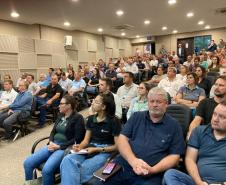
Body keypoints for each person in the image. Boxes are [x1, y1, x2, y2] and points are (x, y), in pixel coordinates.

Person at [94, 87, 185, 185]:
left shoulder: (174, 125)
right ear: (148, 103)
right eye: (152, 101)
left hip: (151, 173)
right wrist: (133, 161)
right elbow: (122, 139)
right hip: (124, 164)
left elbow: (175, 156)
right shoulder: (136, 116)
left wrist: (153, 170)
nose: (154, 105)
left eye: (159, 102)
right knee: (99, 182)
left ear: (166, 104)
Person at [60, 93, 121, 185]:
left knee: (81, 169)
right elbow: (86, 141)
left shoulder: (114, 121)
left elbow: (117, 147)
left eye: (96, 102)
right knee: (67, 160)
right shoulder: (91, 119)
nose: (92, 103)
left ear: (103, 107)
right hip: (89, 148)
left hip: (104, 151)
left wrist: (97, 149)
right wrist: (79, 147)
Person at [23, 95, 85, 185]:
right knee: (27, 163)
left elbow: (78, 139)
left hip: (64, 148)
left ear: (69, 106)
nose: (59, 106)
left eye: (61, 104)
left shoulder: (78, 118)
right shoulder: (60, 115)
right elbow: (53, 132)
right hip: (53, 144)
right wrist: (51, 141)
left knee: (46, 170)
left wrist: (59, 146)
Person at [163, 101, 226, 185]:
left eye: (221, 117)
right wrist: (199, 182)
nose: (215, 119)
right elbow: (190, 159)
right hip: (197, 181)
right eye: (214, 114)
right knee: (171, 174)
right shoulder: (199, 131)